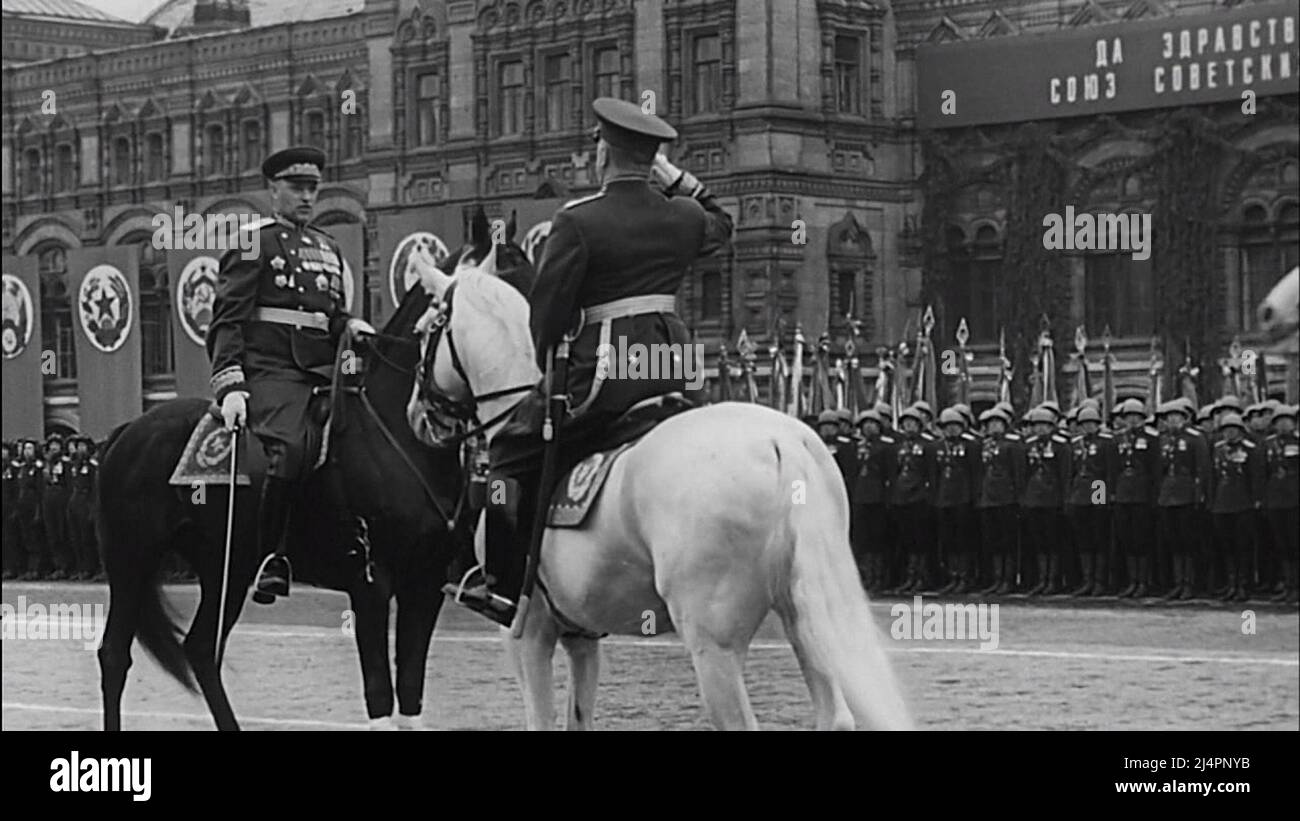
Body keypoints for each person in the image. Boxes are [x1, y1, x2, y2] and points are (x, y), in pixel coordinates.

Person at [443, 98, 733, 625]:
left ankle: (503, 586)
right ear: (653, 162)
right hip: (675, 365)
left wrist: (546, 367)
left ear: (604, 152)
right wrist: (677, 179)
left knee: (509, 451)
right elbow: (723, 220)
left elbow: (547, 316)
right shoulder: (684, 215)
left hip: (609, 372)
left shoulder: (577, 220)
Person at [208, 146, 375, 603]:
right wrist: (231, 382)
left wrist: (351, 325)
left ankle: (356, 539)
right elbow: (227, 318)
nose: (306, 197)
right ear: (273, 190)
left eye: (312, 189)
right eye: (296, 188)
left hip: (323, 369)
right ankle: (270, 556)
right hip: (272, 370)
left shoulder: (328, 246)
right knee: (293, 446)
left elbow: (331, 313)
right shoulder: (252, 239)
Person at [1155, 400, 1210, 600]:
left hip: (1186, 496)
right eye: (1169, 418)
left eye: (1176, 417)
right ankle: (1178, 582)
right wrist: (1100, 501)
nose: (1172, 421)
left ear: (1185, 419)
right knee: (1174, 543)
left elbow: (1201, 469)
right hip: (1166, 496)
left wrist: (1199, 496)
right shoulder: (1162, 439)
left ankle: (1189, 583)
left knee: (1188, 543)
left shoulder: (1195, 438)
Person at [1210, 413, 1264, 602]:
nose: (1229, 433)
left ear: (1240, 431)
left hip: (1242, 504)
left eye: (1233, 430)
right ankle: (1231, 583)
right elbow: (1213, 477)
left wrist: (1256, 499)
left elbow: (1256, 477)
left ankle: (1243, 584)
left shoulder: (1250, 449)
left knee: (1243, 546)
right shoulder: (1218, 449)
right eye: (1226, 430)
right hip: (1222, 504)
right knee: (1227, 547)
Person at [1066, 406, 1117, 596]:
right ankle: (1087, 579)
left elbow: (1110, 470)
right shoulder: (1076, 443)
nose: (1088, 427)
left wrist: (1107, 496)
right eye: (1084, 424)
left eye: (1091, 423)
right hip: (1080, 491)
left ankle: (1099, 581)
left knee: (1099, 537)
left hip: (1098, 486)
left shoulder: (1106, 442)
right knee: (1084, 539)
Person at [1020, 407, 1071, 595]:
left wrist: (1101, 501)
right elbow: (1024, 474)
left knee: (1053, 542)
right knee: (1039, 542)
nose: (1041, 429)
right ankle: (1043, 579)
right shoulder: (1029, 445)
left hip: (1055, 499)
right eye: (1037, 425)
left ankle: (1054, 580)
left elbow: (1068, 476)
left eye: (1045, 425)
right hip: (1035, 499)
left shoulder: (1061, 446)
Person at [1113, 399, 1159, 598]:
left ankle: (1143, 581)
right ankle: (1132, 581)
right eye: (1128, 417)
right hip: (1122, 496)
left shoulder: (1151, 438)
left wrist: (1154, 498)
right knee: (1128, 541)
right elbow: (1108, 472)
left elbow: (1156, 471)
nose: (1132, 420)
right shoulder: (1117, 439)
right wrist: (1102, 500)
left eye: (1136, 417)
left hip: (1142, 497)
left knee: (1142, 542)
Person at [931, 408, 980, 594]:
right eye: (948, 426)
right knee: (949, 540)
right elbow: (935, 475)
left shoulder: (971, 446)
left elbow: (975, 474)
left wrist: (974, 498)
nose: (951, 430)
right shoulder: (938, 446)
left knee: (963, 541)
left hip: (963, 498)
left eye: (955, 426)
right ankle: (953, 576)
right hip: (945, 499)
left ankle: (965, 576)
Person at [976, 406, 1022, 595]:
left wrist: (1101, 500)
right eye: (991, 423)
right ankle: (998, 578)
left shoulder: (1012, 444)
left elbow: (1103, 475)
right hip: (990, 499)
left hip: (1008, 498)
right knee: (994, 542)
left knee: (1007, 542)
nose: (994, 426)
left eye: (998, 423)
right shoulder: (986, 445)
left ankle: (1008, 579)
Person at [887, 406, 933, 594]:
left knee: (920, 541)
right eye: (906, 423)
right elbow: (894, 472)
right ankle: (910, 576)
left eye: (912, 423)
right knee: (906, 540)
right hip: (901, 497)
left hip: (918, 497)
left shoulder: (928, 445)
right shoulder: (898, 447)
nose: (909, 426)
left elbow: (930, 473)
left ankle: (921, 576)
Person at [852, 409, 894, 593]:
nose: (869, 427)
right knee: (863, 540)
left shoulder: (886, 446)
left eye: (873, 424)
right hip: (861, 496)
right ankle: (866, 575)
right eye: (865, 424)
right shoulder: (857, 446)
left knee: (878, 540)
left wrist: (888, 497)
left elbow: (890, 474)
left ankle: (879, 577)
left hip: (879, 497)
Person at [1263, 405, 1298, 604]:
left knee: (1295, 544)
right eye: (1279, 421)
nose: (1283, 424)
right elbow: (1263, 473)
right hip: (1276, 500)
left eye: (1287, 421)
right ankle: (1288, 584)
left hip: (1295, 499)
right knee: (1282, 545)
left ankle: (1296, 586)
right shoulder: (1268, 444)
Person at [65, 435, 98, 580]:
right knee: (75, 536)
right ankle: (81, 567)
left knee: (87, 537)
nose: (80, 449)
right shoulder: (74, 465)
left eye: (83, 446)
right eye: (78, 446)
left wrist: (92, 507)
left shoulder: (92, 465)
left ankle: (91, 568)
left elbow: (94, 488)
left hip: (86, 500)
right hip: (74, 499)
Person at [41, 434, 73, 579]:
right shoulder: (46, 464)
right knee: (51, 533)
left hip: (61, 497)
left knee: (62, 532)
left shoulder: (65, 463)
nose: (54, 448)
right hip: (48, 498)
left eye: (57, 445)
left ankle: (67, 566)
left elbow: (69, 484)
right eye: (52, 445)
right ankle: (57, 565)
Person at [14, 439, 44, 580]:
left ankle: (36, 569)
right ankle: (26, 568)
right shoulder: (22, 467)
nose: (27, 451)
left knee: (34, 538)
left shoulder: (37, 468)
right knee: (25, 538)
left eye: (30, 448)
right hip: (22, 506)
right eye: (25, 449)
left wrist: (39, 511)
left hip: (33, 506)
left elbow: (40, 490)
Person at [2, 442, 19, 580]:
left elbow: (17, 489)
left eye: (4, 450)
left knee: (10, 539)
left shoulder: (14, 468)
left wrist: (15, 508)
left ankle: (12, 568)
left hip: (9, 507)